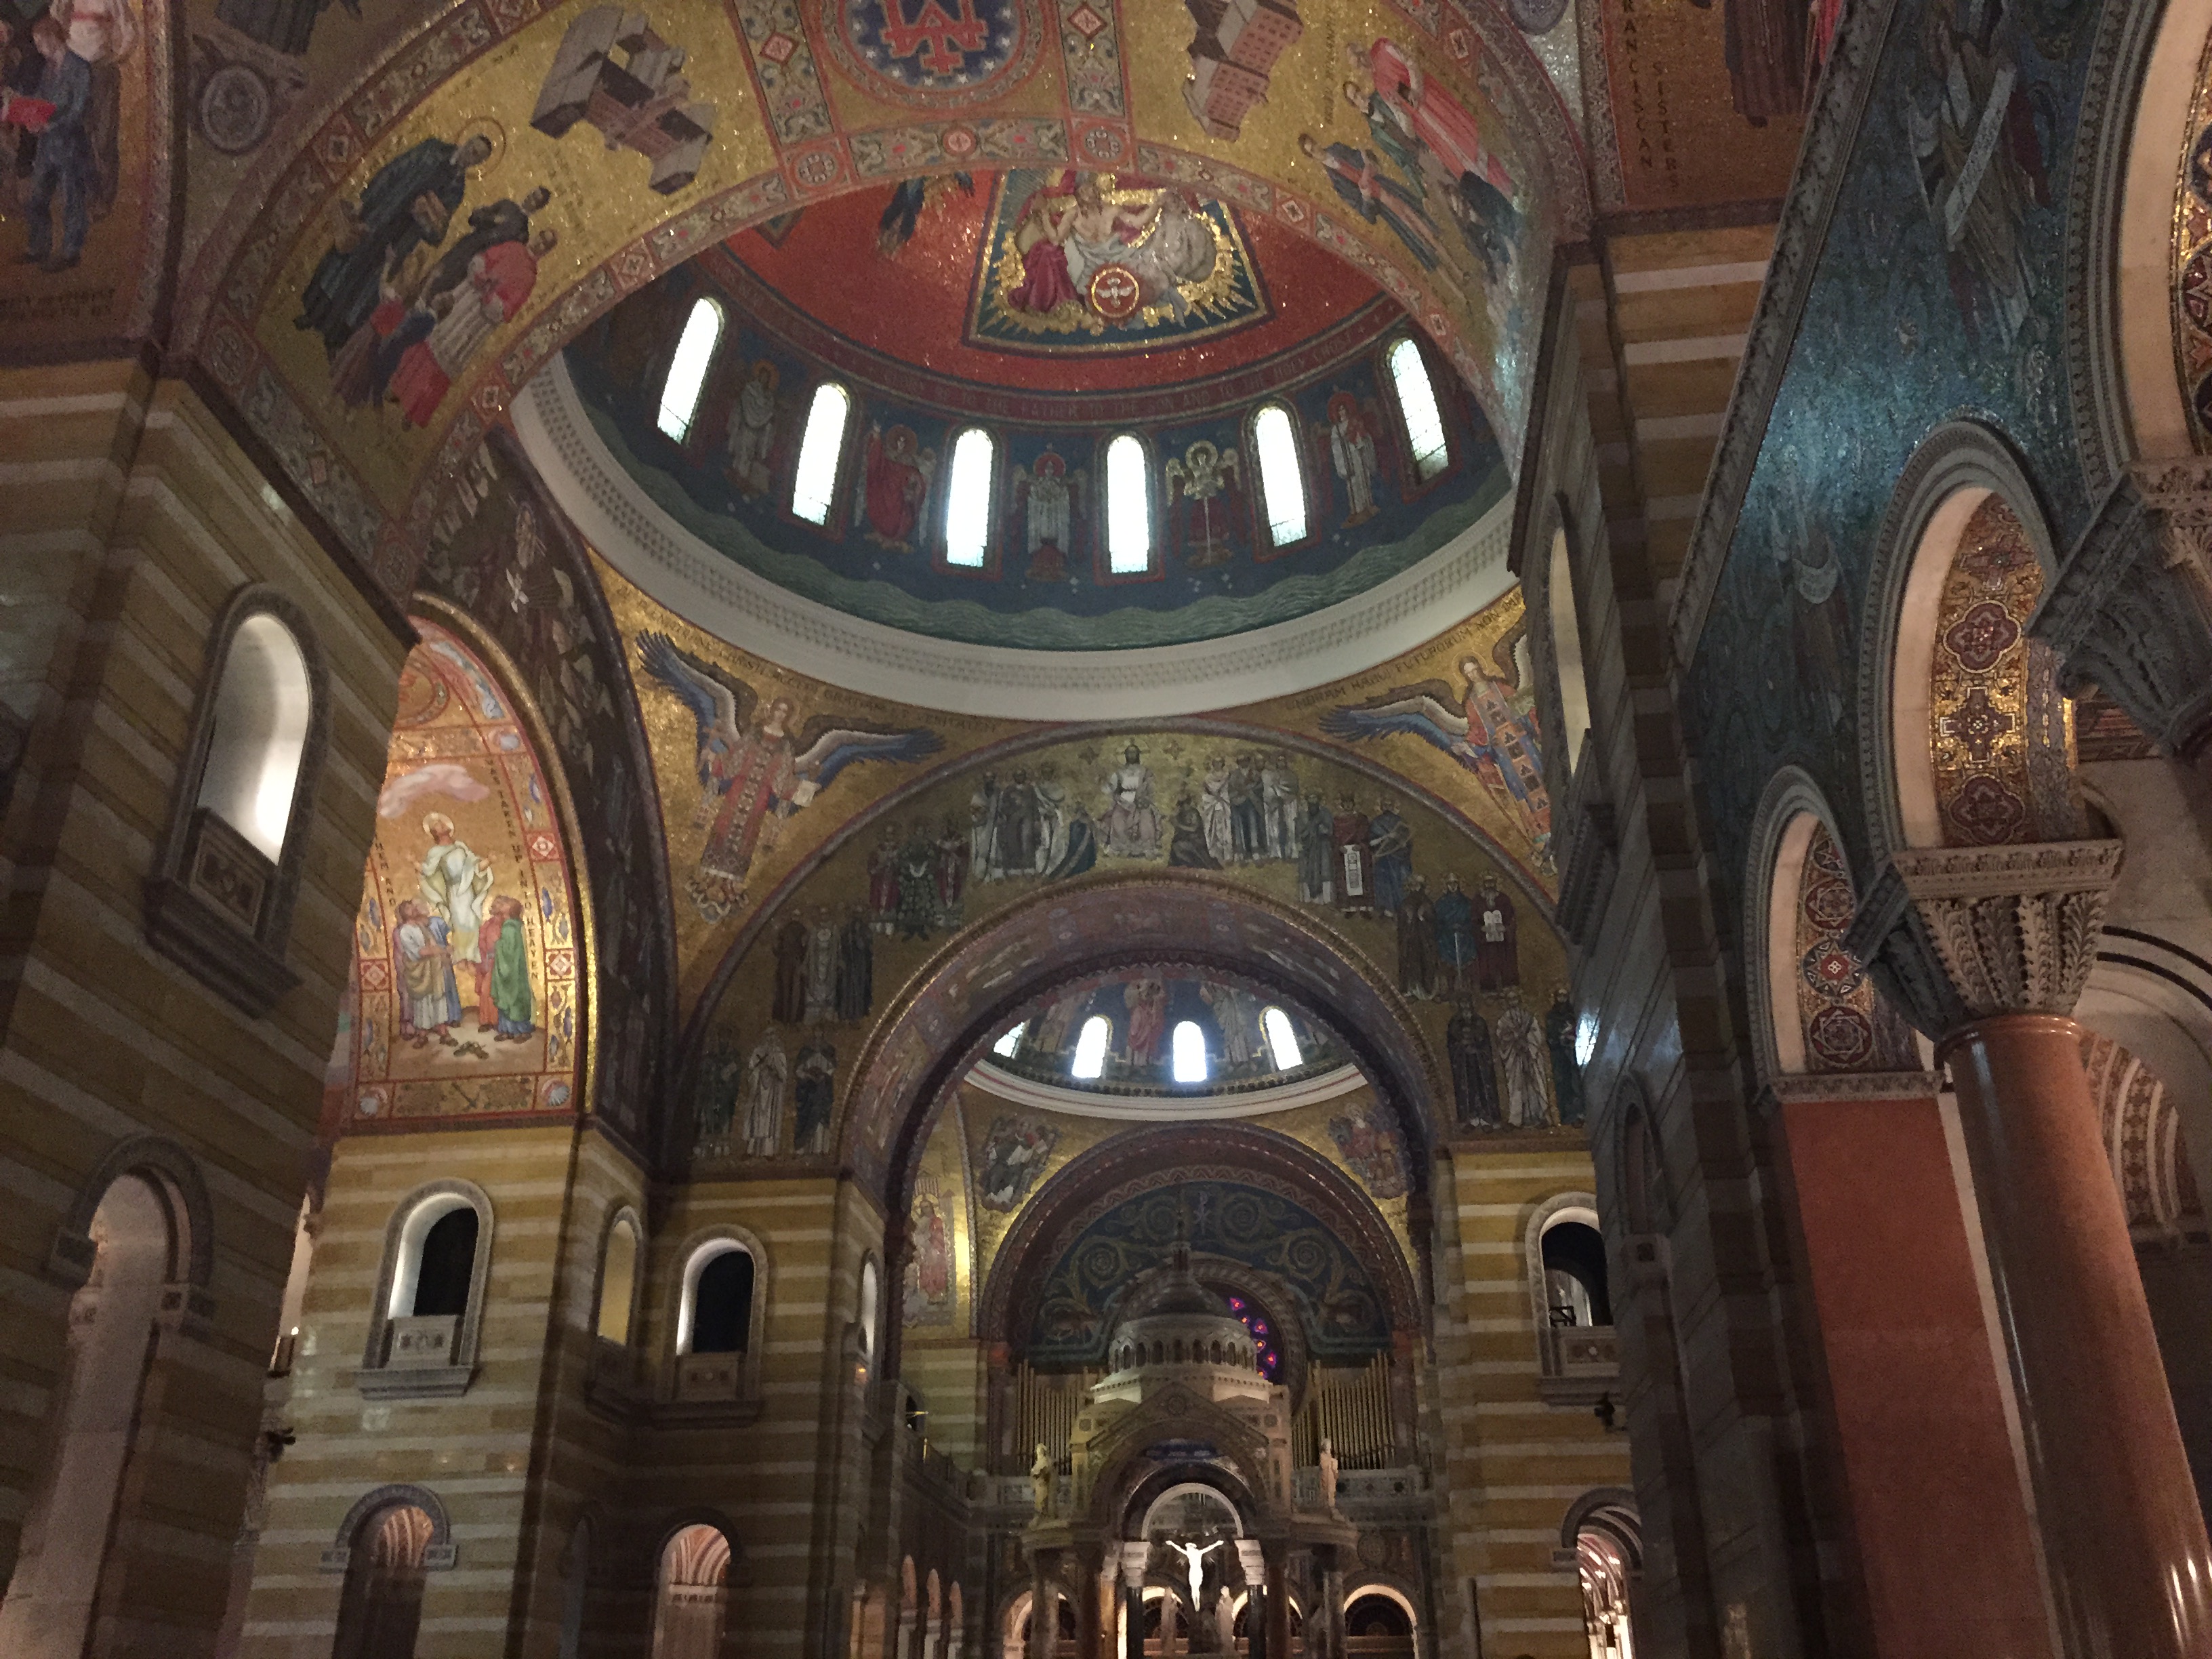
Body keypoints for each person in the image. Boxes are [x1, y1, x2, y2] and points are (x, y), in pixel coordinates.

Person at [9, 17, 88, 272]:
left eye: (41, 43)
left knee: (71, 198)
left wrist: (50, 126)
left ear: (54, 39)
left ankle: (70, 252)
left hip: (70, 145)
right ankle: (38, 247)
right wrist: (25, 109)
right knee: (37, 197)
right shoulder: (48, 69)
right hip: (47, 146)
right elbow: (42, 99)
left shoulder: (79, 68)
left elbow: (78, 111)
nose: (40, 49)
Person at [419, 812, 493, 1025]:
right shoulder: (435, 852)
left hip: (468, 891)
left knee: (473, 922)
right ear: (434, 832)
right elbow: (427, 871)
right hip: (454, 893)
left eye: (441, 822)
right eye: (436, 825)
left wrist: (488, 861)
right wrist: (415, 864)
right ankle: (463, 957)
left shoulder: (460, 846)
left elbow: (474, 867)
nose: (440, 825)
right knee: (461, 924)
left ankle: (473, 957)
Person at [392, 898, 462, 1048]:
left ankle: (443, 1033)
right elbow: (420, 952)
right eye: (409, 908)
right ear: (404, 913)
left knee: (438, 1000)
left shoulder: (421, 926)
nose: (413, 909)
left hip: (433, 970)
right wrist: (443, 950)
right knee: (423, 1004)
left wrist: (440, 951)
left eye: (413, 907)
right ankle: (422, 1036)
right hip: (420, 972)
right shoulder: (405, 931)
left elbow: (432, 943)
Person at [1495, 987, 1550, 1128]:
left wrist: (1528, 1045)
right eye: (1510, 999)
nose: (1513, 1002)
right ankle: (1517, 1119)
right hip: (1514, 1057)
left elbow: (1536, 1034)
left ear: (1519, 1000)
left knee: (1534, 1084)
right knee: (1516, 1086)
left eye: (1515, 999)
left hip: (1530, 1056)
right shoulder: (1504, 1020)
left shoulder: (1528, 1018)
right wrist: (1513, 1040)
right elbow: (1501, 1038)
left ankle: (1539, 1116)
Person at [485, 895, 535, 1041]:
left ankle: (521, 1031)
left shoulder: (509, 927)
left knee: (512, 1000)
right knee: (508, 999)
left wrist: (497, 945)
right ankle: (508, 1030)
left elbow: (508, 950)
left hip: (511, 970)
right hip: (513, 969)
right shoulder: (516, 925)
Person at [1326, 393, 1380, 527]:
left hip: (1358, 453)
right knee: (1353, 482)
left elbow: (1363, 435)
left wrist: (1361, 441)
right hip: (1347, 458)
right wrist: (1343, 441)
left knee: (1362, 477)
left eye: (1343, 409)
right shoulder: (1336, 429)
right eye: (1339, 410)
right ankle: (1357, 510)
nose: (1342, 412)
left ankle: (1367, 505)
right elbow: (1335, 444)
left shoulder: (1354, 421)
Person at [726, 361, 778, 496]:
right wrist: (754, 416)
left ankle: (741, 481)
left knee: (749, 455)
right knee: (741, 451)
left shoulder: (769, 397)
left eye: (767, 378)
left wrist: (764, 418)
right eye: (763, 376)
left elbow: (769, 411)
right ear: (759, 376)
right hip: (746, 427)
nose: (764, 379)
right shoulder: (750, 389)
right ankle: (734, 479)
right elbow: (746, 403)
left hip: (756, 432)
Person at [1447, 996, 1500, 1128]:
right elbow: (1452, 1043)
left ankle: (1487, 1118)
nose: (1465, 1006)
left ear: (1472, 1004)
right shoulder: (1454, 1023)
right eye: (1462, 1003)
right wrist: (1462, 1046)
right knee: (1467, 1088)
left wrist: (1477, 1047)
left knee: (1483, 1087)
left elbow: (1485, 1042)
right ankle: (1470, 1119)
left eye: (1467, 1002)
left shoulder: (1480, 1021)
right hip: (1463, 1063)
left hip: (1480, 1062)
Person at [1101, 744, 1160, 859]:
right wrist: (1104, 783)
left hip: (1140, 800)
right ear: (1125, 755)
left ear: (1138, 755)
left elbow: (1151, 788)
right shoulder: (1119, 772)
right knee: (1117, 817)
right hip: (1123, 800)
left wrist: (1146, 799)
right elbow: (1111, 787)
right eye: (1129, 753)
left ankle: (1147, 848)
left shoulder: (1144, 771)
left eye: (1134, 753)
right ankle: (1120, 848)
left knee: (1147, 819)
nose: (1132, 755)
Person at [741, 1029, 787, 1155]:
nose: (770, 1038)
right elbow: (751, 1070)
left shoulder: (779, 1054)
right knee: (756, 1119)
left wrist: (775, 1067)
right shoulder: (758, 1052)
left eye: (773, 1035)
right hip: (758, 1090)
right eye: (767, 1035)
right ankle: (752, 1149)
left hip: (772, 1091)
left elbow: (783, 1076)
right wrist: (759, 1068)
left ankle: (768, 1150)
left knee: (769, 1120)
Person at [1544, 986, 1585, 1127]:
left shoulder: (1572, 1015)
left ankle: (1579, 1114)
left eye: (1564, 996)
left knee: (1576, 1084)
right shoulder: (1552, 1016)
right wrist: (1561, 1037)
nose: (1562, 999)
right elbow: (1550, 1037)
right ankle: (1566, 1116)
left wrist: (1571, 1038)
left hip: (1572, 1055)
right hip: (1559, 1056)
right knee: (1563, 1084)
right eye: (1560, 996)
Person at [1433, 873, 1477, 996]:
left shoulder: (1467, 902)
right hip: (1447, 938)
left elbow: (1473, 920)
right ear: (1446, 886)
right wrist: (1448, 928)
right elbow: (1437, 922)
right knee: (1448, 964)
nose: (1452, 886)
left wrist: (1463, 927)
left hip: (1464, 937)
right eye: (1450, 884)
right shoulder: (1441, 903)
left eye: (1455, 883)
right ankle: (1451, 988)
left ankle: (1468, 987)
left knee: (1468, 962)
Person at [1396, 874, 1438, 1000]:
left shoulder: (1427, 903)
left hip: (1424, 940)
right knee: (1410, 964)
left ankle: (1427, 990)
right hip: (1410, 940)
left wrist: (1422, 919)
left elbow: (1433, 922)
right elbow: (1401, 924)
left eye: (1417, 885)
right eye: (1412, 886)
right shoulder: (1405, 904)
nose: (1415, 888)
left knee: (1427, 963)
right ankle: (1411, 990)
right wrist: (1408, 923)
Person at [1368, 798, 1413, 915]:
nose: (1387, 808)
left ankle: (1401, 908)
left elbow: (1407, 839)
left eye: (1389, 805)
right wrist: (1386, 837)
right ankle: (1386, 908)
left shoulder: (1400, 821)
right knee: (1383, 882)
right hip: (1383, 860)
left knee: (1400, 881)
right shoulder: (1376, 823)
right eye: (1385, 805)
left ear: (1393, 807)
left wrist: (1403, 844)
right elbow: (1371, 843)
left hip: (1399, 859)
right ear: (1381, 807)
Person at [1475, 876, 1518, 991]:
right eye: (1487, 883)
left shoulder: (1504, 899)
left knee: (1505, 963)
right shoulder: (1478, 901)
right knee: (1487, 964)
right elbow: (1473, 921)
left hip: (1503, 942)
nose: (1489, 886)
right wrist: (1481, 928)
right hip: (1486, 943)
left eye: (1492, 882)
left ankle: (1508, 986)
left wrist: (1506, 928)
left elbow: (1512, 919)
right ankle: (1489, 988)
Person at [1332, 795, 1373, 915]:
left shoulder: (1361, 819)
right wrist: (1339, 847)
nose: (1348, 805)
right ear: (1342, 805)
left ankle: (1363, 907)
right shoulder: (1337, 820)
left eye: (1350, 803)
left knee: (1361, 878)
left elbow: (1366, 835)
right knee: (1345, 880)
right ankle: (1349, 907)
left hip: (1359, 853)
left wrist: (1361, 845)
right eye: (1345, 803)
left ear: (1354, 804)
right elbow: (1334, 837)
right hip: (1344, 853)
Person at [1168, 791, 1222, 869]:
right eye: (1181, 804)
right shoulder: (1180, 814)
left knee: (1179, 846)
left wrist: (1178, 825)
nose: (1183, 806)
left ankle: (1197, 865)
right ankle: (1184, 865)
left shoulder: (1193, 813)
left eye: (1184, 804)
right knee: (1176, 846)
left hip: (1196, 839)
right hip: (1186, 839)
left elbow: (1194, 829)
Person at [773, 915, 808, 1024]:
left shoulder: (794, 930)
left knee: (789, 990)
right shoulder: (797, 929)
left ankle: (789, 1018)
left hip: (791, 961)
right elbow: (805, 947)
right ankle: (790, 1019)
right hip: (791, 961)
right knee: (790, 990)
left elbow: (778, 949)